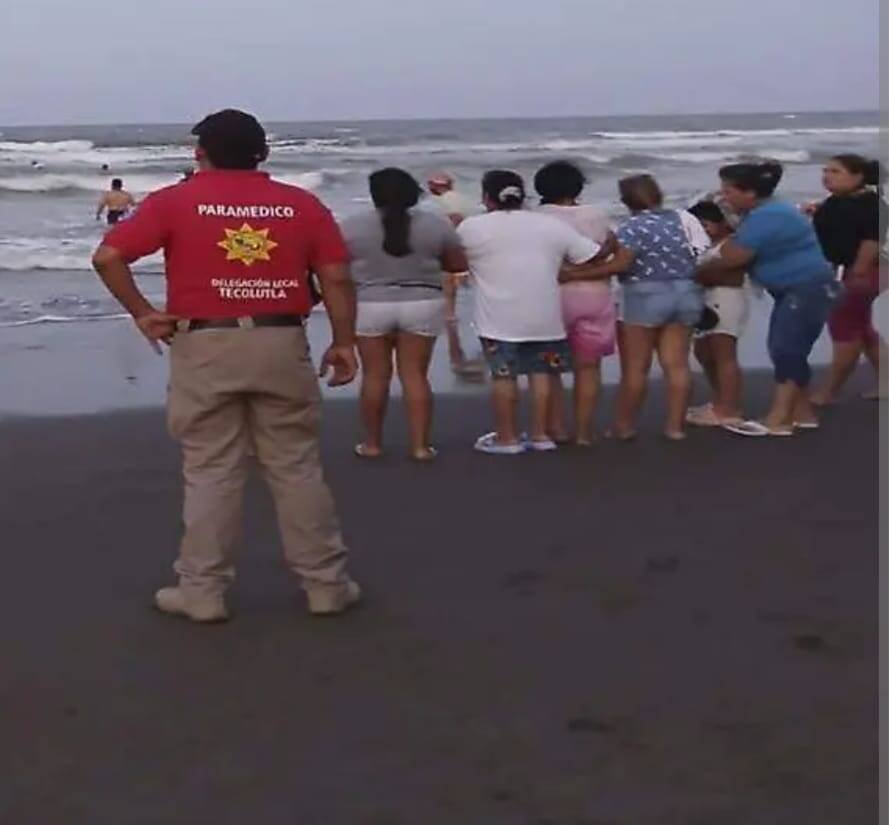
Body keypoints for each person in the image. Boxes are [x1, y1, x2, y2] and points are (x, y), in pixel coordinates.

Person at [92, 109, 361, 623]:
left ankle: (203, 590)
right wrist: (344, 341)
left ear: (200, 154)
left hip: (205, 342)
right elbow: (336, 277)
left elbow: (108, 257)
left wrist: (144, 313)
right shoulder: (301, 204)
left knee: (211, 468)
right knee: (296, 465)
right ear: (263, 153)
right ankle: (326, 585)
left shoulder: (174, 201)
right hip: (281, 339)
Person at [457, 170, 601, 454]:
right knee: (541, 374)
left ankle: (507, 438)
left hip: (497, 318)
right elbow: (588, 255)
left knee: (504, 377)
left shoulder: (472, 227)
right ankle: (540, 435)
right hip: (545, 316)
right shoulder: (548, 224)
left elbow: (453, 260)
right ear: (523, 196)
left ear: (487, 197)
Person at [698, 162, 839, 437]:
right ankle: (802, 413)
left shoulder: (768, 216)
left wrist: (697, 269)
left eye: (728, 191)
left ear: (750, 193)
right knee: (792, 348)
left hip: (805, 287)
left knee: (785, 348)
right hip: (800, 288)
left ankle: (779, 419)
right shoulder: (765, 211)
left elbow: (734, 257)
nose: (723, 196)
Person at [341, 168, 468, 461]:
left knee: (375, 376)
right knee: (415, 376)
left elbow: (339, 268)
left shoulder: (351, 226)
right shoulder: (435, 225)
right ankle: (421, 447)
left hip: (370, 303)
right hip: (422, 302)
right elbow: (457, 264)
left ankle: (372, 444)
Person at [581, 175, 709, 440]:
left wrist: (579, 274)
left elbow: (622, 264)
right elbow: (700, 252)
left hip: (645, 294)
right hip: (685, 291)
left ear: (626, 200)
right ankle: (675, 427)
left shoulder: (631, 226)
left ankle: (624, 426)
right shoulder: (680, 218)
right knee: (677, 364)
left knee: (636, 367)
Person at [534, 160, 616, 445]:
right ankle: (583, 433)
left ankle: (556, 427)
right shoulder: (597, 214)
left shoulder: (536, 217)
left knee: (550, 367)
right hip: (594, 294)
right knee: (589, 367)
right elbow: (607, 250)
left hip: (551, 295)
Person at [809, 155, 887, 404]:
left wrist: (858, 272)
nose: (826, 176)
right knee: (860, 327)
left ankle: (829, 391)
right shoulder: (837, 201)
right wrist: (814, 211)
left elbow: (872, 241)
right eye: (825, 170)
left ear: (858, 176)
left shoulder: (870, 204)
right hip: (850, 270)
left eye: (835, 171)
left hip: (862, 272)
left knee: (845, 331)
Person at [686, 200, 750, 426]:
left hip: (726, 299)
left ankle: (729, 409)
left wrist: (699, 273)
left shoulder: (729, 244)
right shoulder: (705, 247)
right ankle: (721, 399)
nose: (702, 231)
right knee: (704, 352)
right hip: (706, 301)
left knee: (724, 353)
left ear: (721, 223)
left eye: (705, 225)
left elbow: (732, 276)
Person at [426, 171, 484, 378]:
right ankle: (454, 315)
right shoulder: (463, 199)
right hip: (470, 244)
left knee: (448, 280)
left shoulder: (440, 202)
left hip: (452, 244)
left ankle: (450, 314)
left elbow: (455, 219)